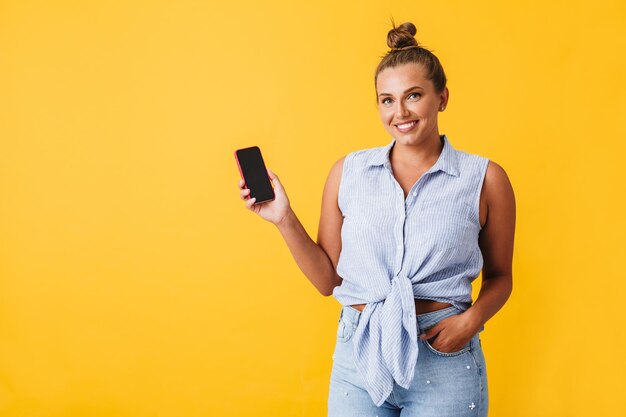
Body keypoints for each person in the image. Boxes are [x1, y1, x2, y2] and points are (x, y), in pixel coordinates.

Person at [237, 20, 515, 417]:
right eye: (387, 100)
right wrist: (282, 217)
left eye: (413, 95)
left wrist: (470, 322)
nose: (399, 112)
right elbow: (326, 280)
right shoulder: (348, 173)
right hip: (358, 354)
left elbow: (502, 277)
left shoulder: (485, 179)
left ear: (442, 97)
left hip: (444, 352)